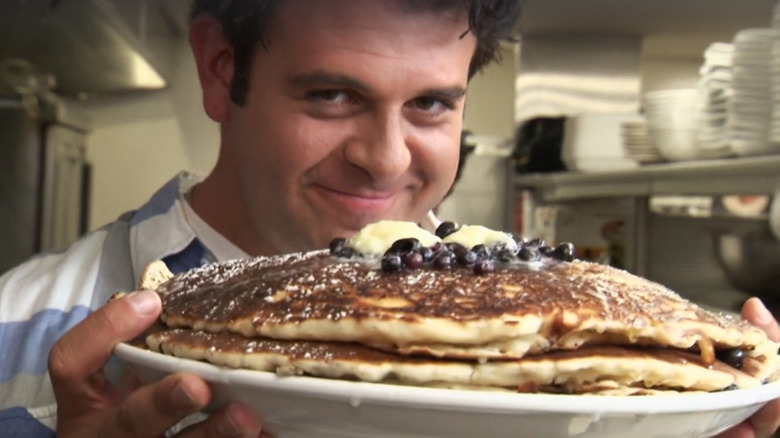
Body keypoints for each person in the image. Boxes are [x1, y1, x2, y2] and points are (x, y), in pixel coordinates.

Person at [0, 1, 778, 437]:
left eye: (431, 105)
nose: (386, 158)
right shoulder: (17, 325)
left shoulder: (575, 340)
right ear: (220, 69)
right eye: (331, 96)